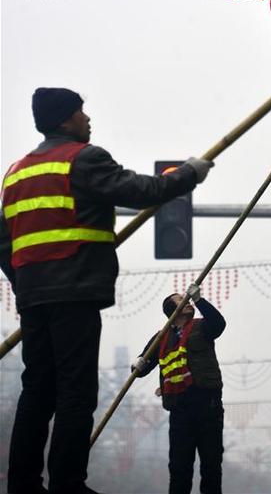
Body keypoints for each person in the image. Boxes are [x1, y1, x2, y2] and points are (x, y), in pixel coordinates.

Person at [0, 87, 214, 494]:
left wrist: (25, 281)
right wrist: (189, 174)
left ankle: (24, 484)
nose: (88, 119)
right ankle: (67, 482)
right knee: (76, 392)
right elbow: (142, 192)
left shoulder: (16, 172)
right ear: (65, 119)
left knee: (37, 391)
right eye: (82, 113)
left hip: (33, 297)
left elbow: (2, 239)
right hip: (74, 292)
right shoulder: (84, 159)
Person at [133, 283, 226, 494]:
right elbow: (143, 366)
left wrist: (200, 300)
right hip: (179, 409)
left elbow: (219, 324)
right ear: (172, 310)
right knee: (179, 466)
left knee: (211, 464)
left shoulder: (202, 327)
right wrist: (137, 365)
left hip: (206, 404)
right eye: (180, 300)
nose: (187, 301)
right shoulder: (161, 337)